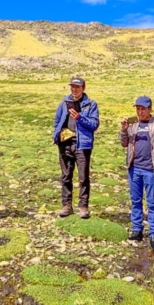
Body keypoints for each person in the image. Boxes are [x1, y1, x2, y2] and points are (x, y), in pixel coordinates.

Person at [120, 96, 154, 252]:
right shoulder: (132, 125)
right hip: (134, 168)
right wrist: (124, 130)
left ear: (150, 109)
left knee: (152, 202)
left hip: (151, 169)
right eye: (137, 109)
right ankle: (137, 229)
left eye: (143, 109)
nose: (140, 112)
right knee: (135, 200)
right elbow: (124, 143)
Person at [52, 77, 100, 218]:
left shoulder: (91, 105)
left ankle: (83, 206)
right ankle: (66, 205)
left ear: (83, 88)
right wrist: (58, 134)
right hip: (65, 143)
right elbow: (57, 120)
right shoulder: (63, 103)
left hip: (82, 144)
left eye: (77, 87)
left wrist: (80, 118)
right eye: (72, 86)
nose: (74, 89)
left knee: (83, 177)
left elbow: (94, 124)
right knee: (66, 176)